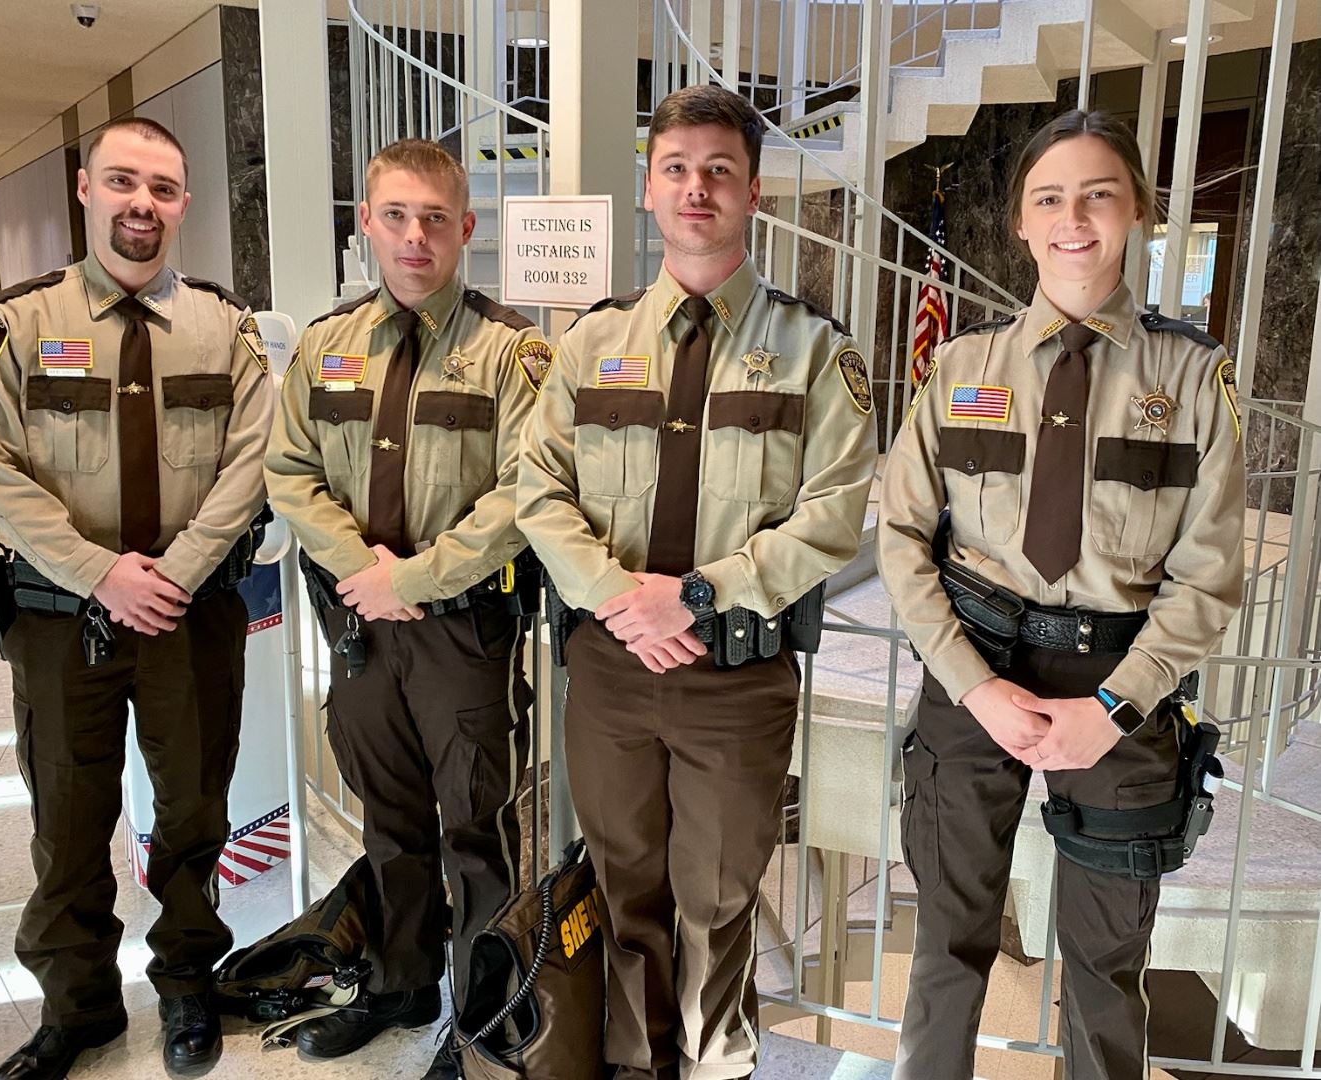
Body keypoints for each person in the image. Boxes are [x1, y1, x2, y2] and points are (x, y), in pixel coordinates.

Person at [516, 84, 877, 1079]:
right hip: (613, 673)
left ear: (753, 191)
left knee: (717, 898)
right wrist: (617, 599)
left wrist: (696, 594)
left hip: (734, 680)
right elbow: (536, 488)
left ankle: (717, 1063)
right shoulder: (591, 343)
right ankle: (637, 1064)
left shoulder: (813, 350)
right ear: (647, 189)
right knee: (627, 888)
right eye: (676, 168)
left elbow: (834, 512)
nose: (696, 188)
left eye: (719, 169)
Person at [877, 109, 1245, 1080]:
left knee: (1102, 976)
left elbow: (1208, 576)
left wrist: (1115, 709)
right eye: (1050, 197)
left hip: (1118, 686)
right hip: (976, 668)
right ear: (1021, 223)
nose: (1073, 217)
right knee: (946, 955)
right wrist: (972, 686)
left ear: (1137, 213)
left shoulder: (1194, 379)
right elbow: (904, 537)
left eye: (1097, 194)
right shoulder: (958, 370)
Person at [0, 117, 274, 1079]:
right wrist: (101, 572)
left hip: (190, 616)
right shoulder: (15, 326)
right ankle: (80, 1007)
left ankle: (186, 986)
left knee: (192, 813)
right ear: (86, 190)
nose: (144, 204)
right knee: (67, 816)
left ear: (183, 204)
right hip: (62, 620)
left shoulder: (229, 329)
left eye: (165, 189)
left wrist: (172, 573)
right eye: (125, 183)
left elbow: (250, 463)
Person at [263, 138, 544, 1079]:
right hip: (357, 628)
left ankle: (484, 1016)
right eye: (397, 216)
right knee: (388, 816)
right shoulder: (324, 347)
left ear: (466, 229)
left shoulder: (513, 354)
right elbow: (290, 472)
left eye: (435, 218)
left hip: (462, 629)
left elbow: (525, 493)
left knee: (475, 824)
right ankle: (401, 982)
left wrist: (413, 577)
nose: (415, 236)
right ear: (366, 226)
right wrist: (363, 574)